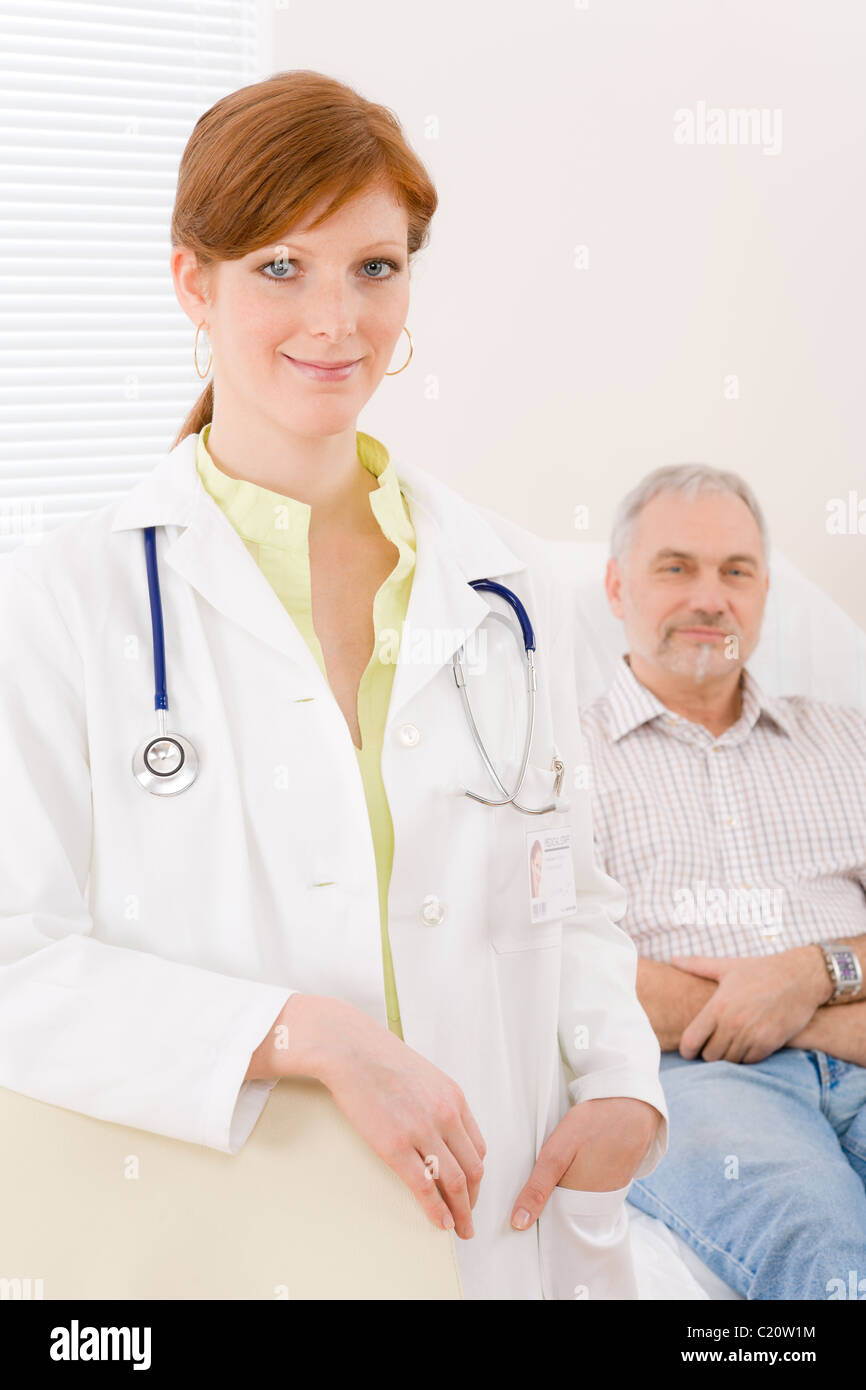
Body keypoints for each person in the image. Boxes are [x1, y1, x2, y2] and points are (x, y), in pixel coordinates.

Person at [0, 70, 667, 1300]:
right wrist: (301, 1033)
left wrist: (621, 1077)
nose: (337, 317)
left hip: (496, 1221)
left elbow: (572, 893)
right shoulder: (67, 600)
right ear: (190, 281)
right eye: (277, 268)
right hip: (238, 1238)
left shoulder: (509, 583)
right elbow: (17, 961)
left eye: (374, 267)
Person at [577, 463, 866, 1299]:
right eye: (676, 567)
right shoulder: (559, 762)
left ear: (765, 592)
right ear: (615, 584)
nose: (710, 597)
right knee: (827, 1252)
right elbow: (563, 973)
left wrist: (808, 974)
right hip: (699, 1084)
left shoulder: (849, 744)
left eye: (735, 572)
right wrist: (820, 1021)